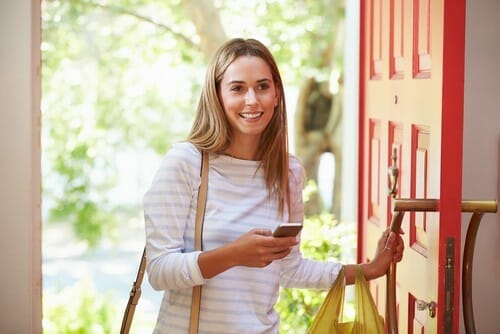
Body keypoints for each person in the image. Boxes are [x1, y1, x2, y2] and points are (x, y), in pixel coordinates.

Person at [143, 37, 404, 333]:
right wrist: (233, 254)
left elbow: (290, 269)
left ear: (277, 94)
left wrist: (367, 270)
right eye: (238, 88)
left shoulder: (287, 171)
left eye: (262, 87)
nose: (252, 100)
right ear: (217, 95)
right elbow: (160, 271)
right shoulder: (186, 163)